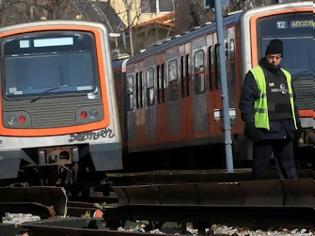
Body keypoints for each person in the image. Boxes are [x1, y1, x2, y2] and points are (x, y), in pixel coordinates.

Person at [239, 39, 301, 179]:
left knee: (290, 170)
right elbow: (246, 103)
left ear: (281, 58)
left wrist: (297, 125)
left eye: (277, 57)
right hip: (264, 131)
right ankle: (258, 196)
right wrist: (250, 125)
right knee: (260, 170)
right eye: (271, 57)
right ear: (266, 56)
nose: (274, 60)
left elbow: (292, 103)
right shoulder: (255, 74)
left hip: (286, 128)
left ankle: (293, 196)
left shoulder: (286, 75)